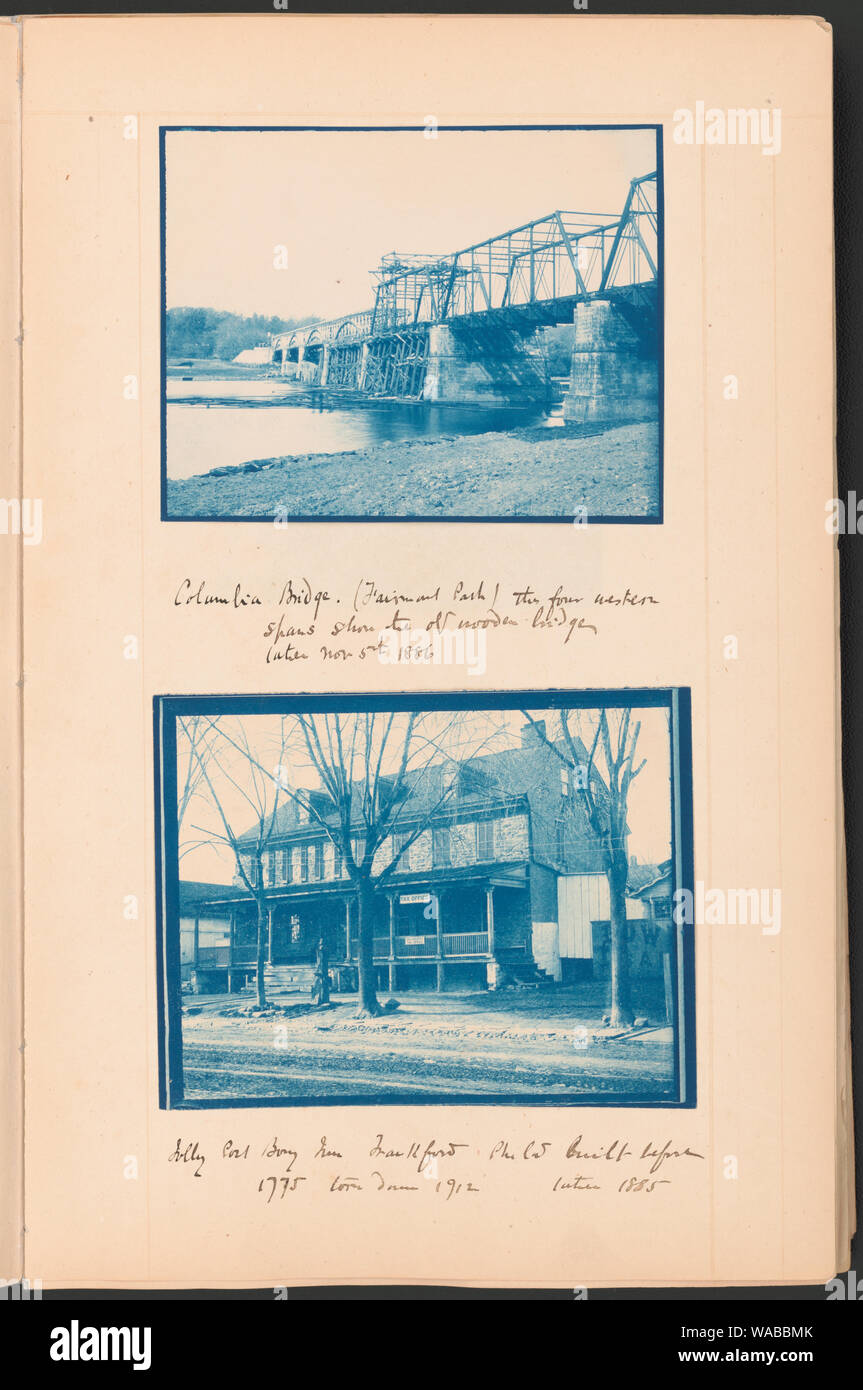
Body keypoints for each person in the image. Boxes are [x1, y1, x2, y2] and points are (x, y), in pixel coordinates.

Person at [311, 937, 330, 1006]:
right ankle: (317, 1000)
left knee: (323, 985)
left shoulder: (325, 950)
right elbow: (318, 960)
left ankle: (324, 1000)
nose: (321, 945)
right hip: (319, 968)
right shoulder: (318, 950)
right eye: (320, 943)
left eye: (322, 943)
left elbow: (323, 960)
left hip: (323, 969)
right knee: (317, 985)